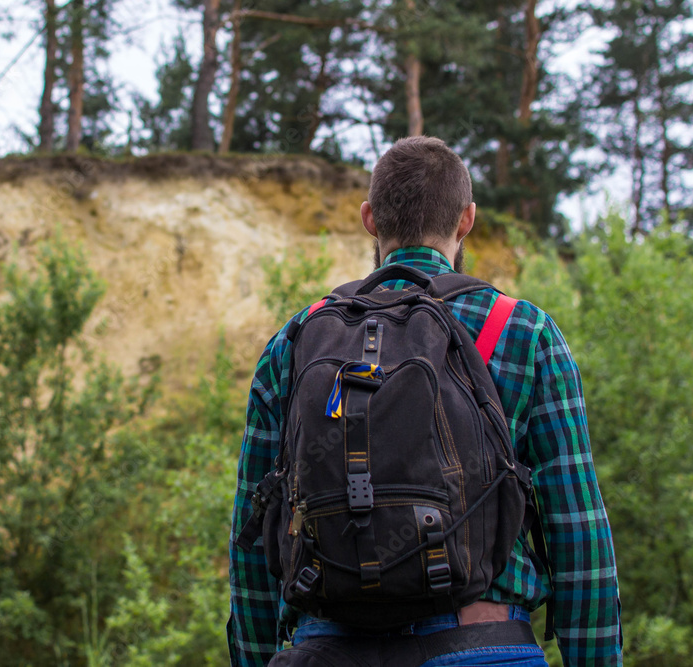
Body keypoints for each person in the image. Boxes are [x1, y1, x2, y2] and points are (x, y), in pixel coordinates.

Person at [228, 136, 622, 666]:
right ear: (467, 220)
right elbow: (580, 535)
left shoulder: (296, 341)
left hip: (326, 649)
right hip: (481, 646)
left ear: (370, 219)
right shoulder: (523, 332)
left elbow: (251, 542)